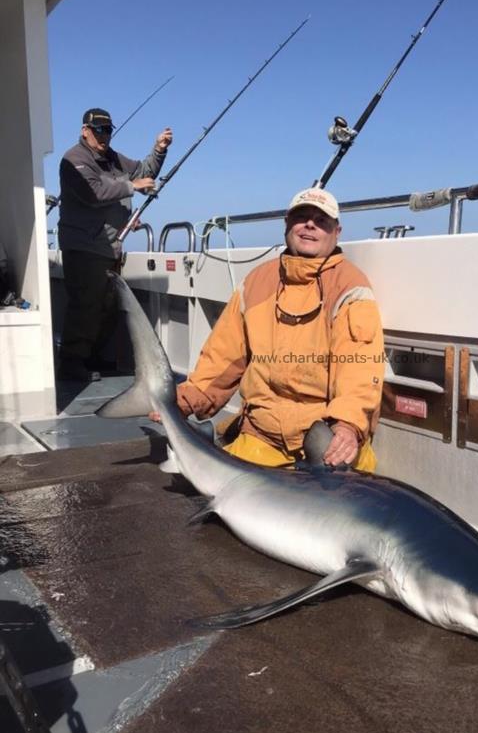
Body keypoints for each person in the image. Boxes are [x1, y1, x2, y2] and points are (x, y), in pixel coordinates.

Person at [176, 187, 385, 472]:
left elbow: (359, 368)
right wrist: (186, 401)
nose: (310, 224)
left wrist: (348, 425)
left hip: (325, 438)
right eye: (302, 217)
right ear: (287, 223)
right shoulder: (257, 281)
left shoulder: (351, 287)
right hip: (263, 436)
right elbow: (223, 357)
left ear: (337, 232)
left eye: (321, 220)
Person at [57, 108, 173, 381]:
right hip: (84, 246)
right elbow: (94, 193)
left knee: (107, 305)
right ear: (85, 130)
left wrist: (158, 150)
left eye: (107, 130)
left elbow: (143, 172)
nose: (103, 135)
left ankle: (92, 358)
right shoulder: (74, 159)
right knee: (85, 305)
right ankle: (71, 363)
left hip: (110, 246)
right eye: (98, 130)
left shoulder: (113, 158)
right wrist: (132, 188)